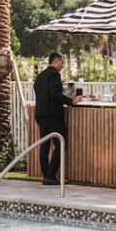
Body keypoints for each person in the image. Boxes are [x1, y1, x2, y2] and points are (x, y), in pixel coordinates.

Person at [33, 52, 83, 185]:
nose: (62, 66)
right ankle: (50, 176)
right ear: (55, 62)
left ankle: (46, 176)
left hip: (40, 114)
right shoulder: (54, 74)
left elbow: (42, 93)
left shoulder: (40, 76)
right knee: (61, 143)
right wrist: (71, 101)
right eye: (62, 63)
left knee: (44, 145)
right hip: (52, 115)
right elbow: (55, 94)